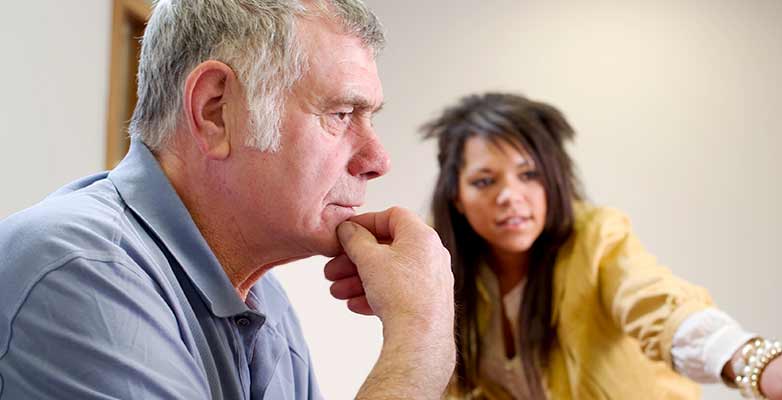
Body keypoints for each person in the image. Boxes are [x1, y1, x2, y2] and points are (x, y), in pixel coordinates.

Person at [0, 1, 454, 399]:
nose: (377, 160)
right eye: (340, 114)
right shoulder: (81, 269)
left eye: (369, 118)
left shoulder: (265, 301)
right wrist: (420, 341)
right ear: (215, 110)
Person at [417, 92, 782, 399]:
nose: (510, 195)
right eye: (484, 181)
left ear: (553, 180)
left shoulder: (596, 237)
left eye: (528, 174)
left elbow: (660, 305)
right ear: (456, 196)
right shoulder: (443, 271)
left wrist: (753, 361)